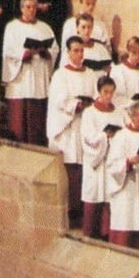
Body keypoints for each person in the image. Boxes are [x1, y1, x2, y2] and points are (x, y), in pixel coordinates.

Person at [47, 36, 96, 226]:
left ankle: (82, 212)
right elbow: (59, 100)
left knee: (83, 167)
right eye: (76, 50)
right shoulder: (61, 74)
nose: (79, 54)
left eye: (82, 50)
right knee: (69, 168)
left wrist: (89, 104)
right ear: (68, 53)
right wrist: (77, 104)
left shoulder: (90, 73)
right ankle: (69, 212)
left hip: (84, 124)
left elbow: (96, 95)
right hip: (67, 127)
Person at [1, 0, 58, 146]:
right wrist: (24, 53)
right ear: (21, 8)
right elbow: (8, 51)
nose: (32, 10)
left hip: (39, 77)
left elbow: (55, 49)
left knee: (37, 123)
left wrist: (47, 53)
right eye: (28, 7)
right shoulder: (12, 27)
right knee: (20, 123)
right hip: (21, 79)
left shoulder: (45, 28)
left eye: (34, 7)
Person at [106, 98, 139, 250]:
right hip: (127, 186)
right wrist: (128, 163)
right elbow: (112, 165)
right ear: (131, 116)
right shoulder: (121, 136)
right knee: (126, 225)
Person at [80, 74, 123, 240]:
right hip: (96, 160)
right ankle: (90, 234)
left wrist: (115, 137)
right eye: (105, 92)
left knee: (109, 196)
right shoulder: (89, 113)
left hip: (112, 159)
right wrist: (105, 136)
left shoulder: (118, 112)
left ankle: (106, 234)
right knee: (94, 194)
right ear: (99, 91)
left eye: (112, 92)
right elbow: (88, 137)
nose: (109, 96)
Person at [61, 0, 113, 65]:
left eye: (93, 4)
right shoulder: (70, 24)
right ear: (81, 3)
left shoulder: (101, 25)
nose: (91, 7)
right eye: (88, 4)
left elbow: (107, 48)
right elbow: (65, 49)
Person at [112, 35, 139, 107]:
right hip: (128, 109)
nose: (137, 56)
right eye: (134, 53)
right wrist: (133, 103)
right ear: (128, 51)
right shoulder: (119, 70)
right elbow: (117, 96)